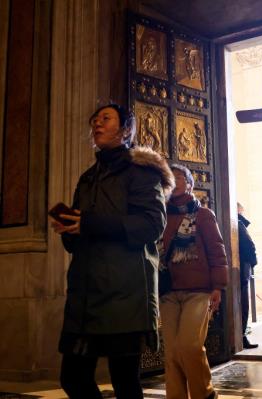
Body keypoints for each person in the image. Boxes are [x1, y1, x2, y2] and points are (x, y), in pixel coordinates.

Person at [50, 104, 174, 399]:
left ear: (126, 130)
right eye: (94, 120)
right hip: (86, 293)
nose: (97, 124)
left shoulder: (142, 173)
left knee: (125, 383)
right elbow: (85, 228)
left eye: (105, 118)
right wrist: (71, 230)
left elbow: (151, 224)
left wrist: (90, 224)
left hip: (125, 292)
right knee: (73, 378)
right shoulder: (88, 177)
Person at [159, 164, 229, 399]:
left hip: (199, 291)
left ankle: (204, 393)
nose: (174, 180)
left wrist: (218, 286)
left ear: (190, 184)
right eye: (170, 177)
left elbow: (217, 252)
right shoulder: (161, 215)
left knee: (189, 346)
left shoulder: (203, 215)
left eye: (179, 177)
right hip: (168, 291)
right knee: (171, 353)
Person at [238, 202, 259, 349]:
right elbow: (249, 246)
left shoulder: (237, 224)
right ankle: (241, 337)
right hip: (241, 271)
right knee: (242, 305)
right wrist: (252, 264)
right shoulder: (238, 224)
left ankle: (240, 337)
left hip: (238, 270)